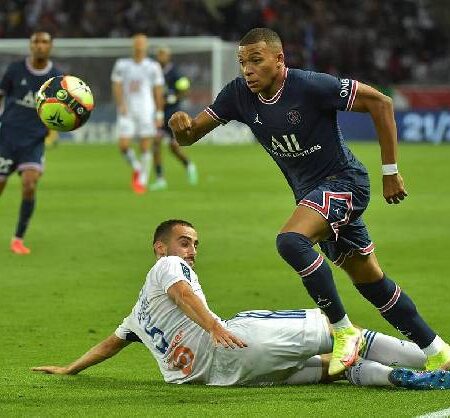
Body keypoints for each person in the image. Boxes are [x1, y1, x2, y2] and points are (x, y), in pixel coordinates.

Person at [167, 28, 450, 375]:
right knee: (372, 283)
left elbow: (381, 103)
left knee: (291, 241)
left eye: (256, 60)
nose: (248, 70)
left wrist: (390, 171)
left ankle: (342, 329)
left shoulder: (310, 86)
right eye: (243, 63)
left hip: (344, 183)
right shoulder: (238, 95)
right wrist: (180, 126)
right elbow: (192, 134)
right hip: (312, 199)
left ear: (279, 59)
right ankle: (437, 349)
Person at [32, 219, 450, 389]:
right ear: (160, 247)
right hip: (234, 338)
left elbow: (111, 342)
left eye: (195, 244)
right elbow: (183, 293)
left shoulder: (138, 315)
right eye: (184, 242)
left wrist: (71, 368)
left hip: (219, 377)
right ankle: (437, 361)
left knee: (330, 369)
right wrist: (214, 327)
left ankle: (397, 379)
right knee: (343, 332)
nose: (191, 250)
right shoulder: (165, 267)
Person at [0, 31, 63, 255]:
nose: (39, 45)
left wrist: (55, 130)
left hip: (34, 141)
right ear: (30, 45)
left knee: (29, 184)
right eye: (36, 41)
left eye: (44, 41)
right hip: (6, 137)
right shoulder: (15, 70)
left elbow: (65, 110)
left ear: (50, 46)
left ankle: (18, 238)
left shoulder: (57, 78)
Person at [111, 34, 165, 194]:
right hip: (127, 111)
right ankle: (137, 167)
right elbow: (117, 85)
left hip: (146, 111)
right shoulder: (122, 65)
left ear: (146, 46)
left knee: (145, 147)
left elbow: (158, 90)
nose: (140, 45)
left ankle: (142, 182)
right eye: (137, 42)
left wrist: (159, 113)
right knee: (123, 145)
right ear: (133, 45)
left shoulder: (153, 66)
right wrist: (120, 104)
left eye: (142, 43)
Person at [149, 47, 198, 191]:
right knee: (156, 143)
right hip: (158, 115)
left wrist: (172, 98)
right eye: (159, 54)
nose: (160, 57)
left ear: (168, 57)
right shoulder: (154, 72)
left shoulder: (175, 72)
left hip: (173, 115)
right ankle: (160, 179)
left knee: (174, 147)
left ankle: (188, 165)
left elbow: (184, 89)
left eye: (163, 54)